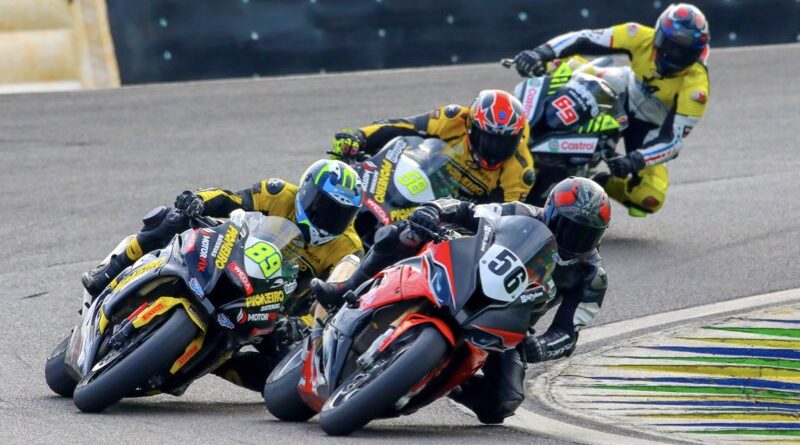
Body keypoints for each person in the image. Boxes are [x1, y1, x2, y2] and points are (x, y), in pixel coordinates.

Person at [311, 177, 609, 423]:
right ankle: (346, 286)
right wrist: (433, 211)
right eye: (569, 228)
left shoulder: (591, 276)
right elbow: (467, 210)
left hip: (506, 323)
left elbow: (567, 334)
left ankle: (437, 379)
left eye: (586, 235)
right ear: (551, 213)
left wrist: (540, 347)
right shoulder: (521, 212)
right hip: (467, 272)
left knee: (503, 403)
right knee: (405, 234)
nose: (574, 240)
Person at [81, 159, 364, 392]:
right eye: (323, 207)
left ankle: (214, 363)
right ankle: (109, 271)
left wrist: (301, 324)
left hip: (274, 308)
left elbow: (332, 301)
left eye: (340, 215)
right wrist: (198, 200)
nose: (328, 219)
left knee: (286, 368)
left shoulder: (348, 249)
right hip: (234, 260)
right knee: (172, 218)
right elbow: (232, 199)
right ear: (306, 191)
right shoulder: (279, 194)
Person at [513, 3, 710, 216]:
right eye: (671, 46)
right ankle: (522, 123)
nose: (675, 55)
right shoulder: (637, 34)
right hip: (621, 88)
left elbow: (672, 140)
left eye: (685, 52)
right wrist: (541, 52)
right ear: (659, 37)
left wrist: (634, 160)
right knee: (556, 62)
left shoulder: (697, 89)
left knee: (649, 197)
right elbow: (585, 38)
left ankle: (597, 183)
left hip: (651, 123)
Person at [330, 89, 536, 203]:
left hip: (452, 219)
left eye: (505, 142)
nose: (495, 150)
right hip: (417, 183)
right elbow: (405, 126)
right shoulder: (455, 118)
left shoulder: (521, 171)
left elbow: (498, 217)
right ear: (471, 127)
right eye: (488, 138)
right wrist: (359, 136)